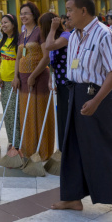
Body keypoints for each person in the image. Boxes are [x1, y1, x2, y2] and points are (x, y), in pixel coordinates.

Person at [52, 0, 112, 212]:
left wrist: (96, 100)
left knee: (106, 145)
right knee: (73, 146)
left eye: (69, 10)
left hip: (98, 96)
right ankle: (72, 197)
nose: (66, 14)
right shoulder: (75, 35)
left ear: (83, 11)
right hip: (76, 93)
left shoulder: (103, 34)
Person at [12, 2, 54, 160]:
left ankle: (42, 152)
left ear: (34, 15)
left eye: (26, 13)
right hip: (23, 79)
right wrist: (16, 76)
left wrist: (33, 76)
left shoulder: (40, 32)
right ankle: (28, 150)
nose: (23, 16)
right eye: (21, 13)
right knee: (26, 115)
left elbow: (46, 57)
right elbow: (18, 58)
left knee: (39, 113)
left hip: (38, 78)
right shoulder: (22, 35)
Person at [42, 13, 70, 151]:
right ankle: (62, 150)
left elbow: (49, 47)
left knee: (66, 116)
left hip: (68, 82)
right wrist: (50, 79)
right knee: (61, 116)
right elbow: (51, 62)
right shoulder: (52, 37)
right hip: (59, 82)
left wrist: (53, 29)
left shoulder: (65, 36)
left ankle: (67, 149)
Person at [0, 14, 20, 150]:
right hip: (4, 81)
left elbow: (19, 61)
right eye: (2, 23)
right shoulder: (1, 42)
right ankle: (12, 140)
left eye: (6, 23)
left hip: (14, 82)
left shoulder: (19, 41)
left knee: (15, 113)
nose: (3, 25)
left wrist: (16, 77)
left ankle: (18, 142)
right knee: (7, 113)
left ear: (13, 24)